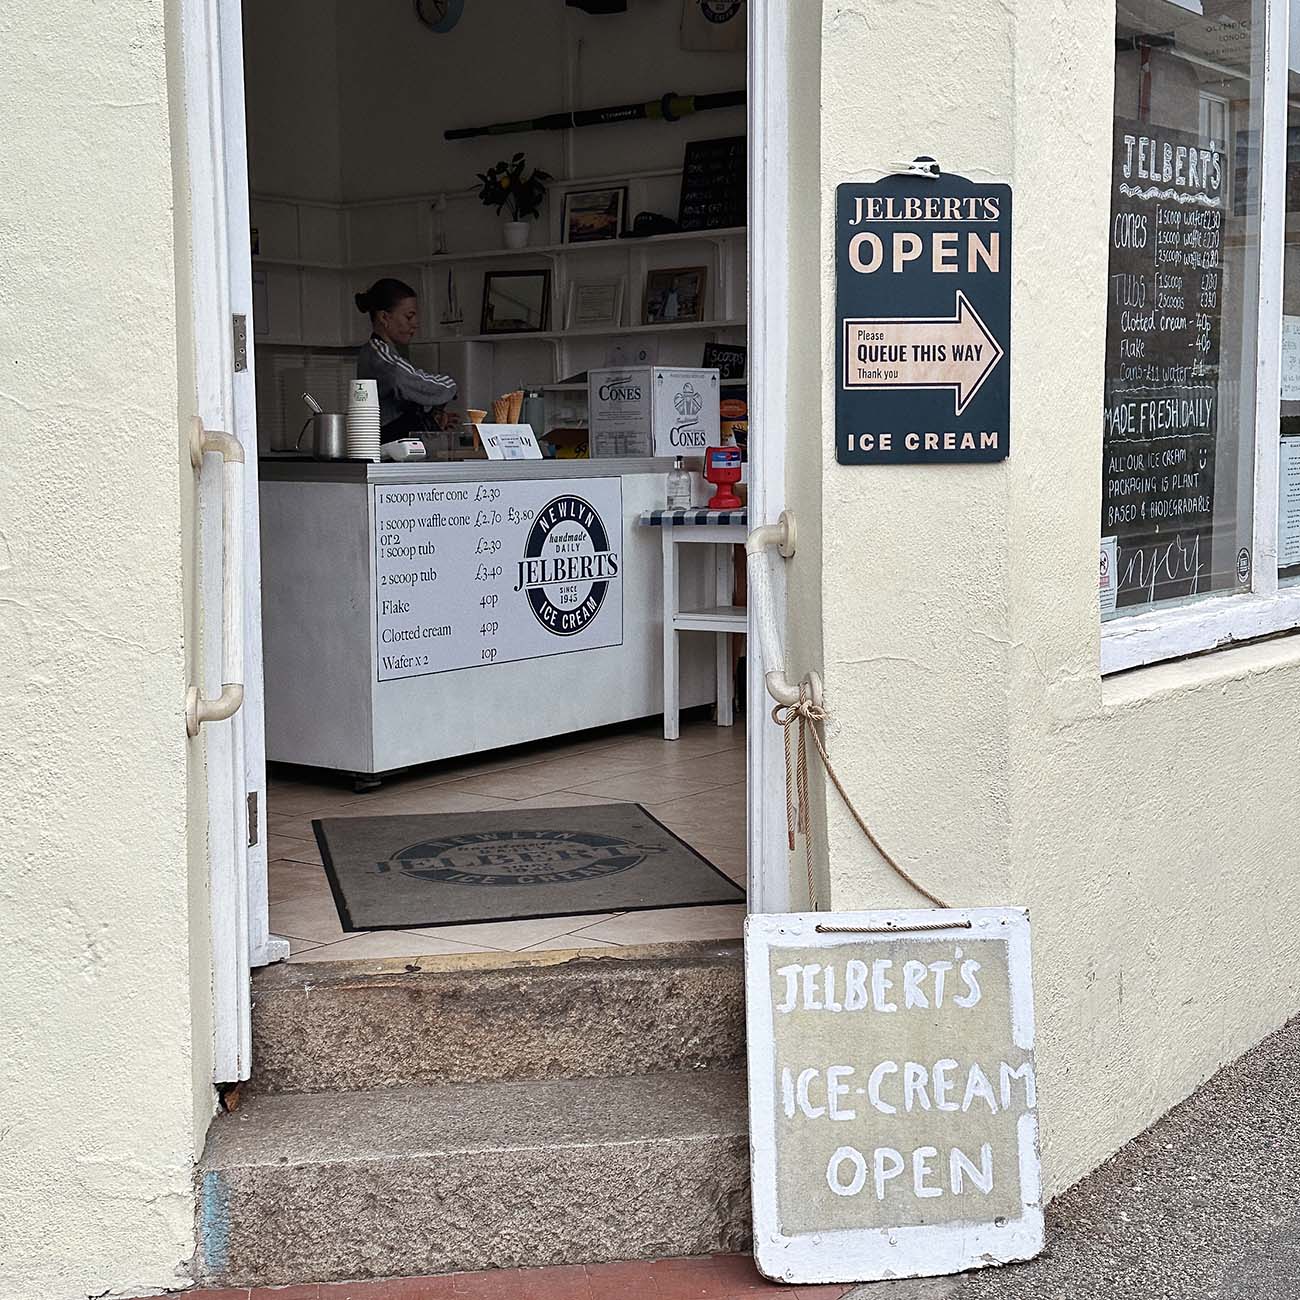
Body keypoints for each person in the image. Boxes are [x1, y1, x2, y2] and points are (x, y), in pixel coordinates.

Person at [354, 278, 458, 443]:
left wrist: (431, 418)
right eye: (409, 317)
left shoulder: (385, 353)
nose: (415, 324)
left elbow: (399, 408)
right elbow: (407, 379)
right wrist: (450, 384)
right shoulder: (382, 356)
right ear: (384, 317)